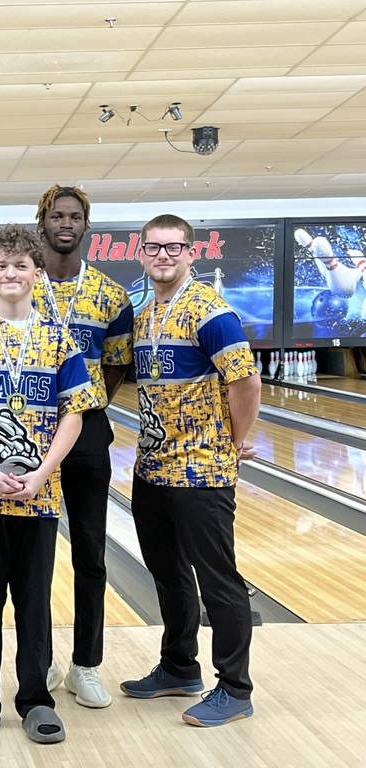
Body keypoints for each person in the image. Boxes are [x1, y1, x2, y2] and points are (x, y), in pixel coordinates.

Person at [0, 223, 96, 744]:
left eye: (20, 266)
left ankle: (34, 698)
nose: (11, 273)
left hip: (40, 494)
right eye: (1, 266)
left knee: (34, 602)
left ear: (36, 273)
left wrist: (44, 472)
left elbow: (74, 414)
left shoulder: (59, 339)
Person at [121, 213, 261, 728]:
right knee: (168, 573)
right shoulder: (144, 313)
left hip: (202, 470)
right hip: (153, 467)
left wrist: (231, 442)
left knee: (217, 578)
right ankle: (180, 666)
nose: (163, 255)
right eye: (154, 247)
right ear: (141, 252)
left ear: (191, 253)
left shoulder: (210, 311)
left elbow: (245, 382)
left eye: (173, 247)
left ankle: (236, 687)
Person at [32, 185, 134, 707]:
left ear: (86, 225)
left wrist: (86, 406)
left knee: (91, 552)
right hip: (24, 428)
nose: (65, 223)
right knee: (37, 554)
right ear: (41, 222)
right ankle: (43, 659)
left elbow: (116, 362)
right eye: (56, 215)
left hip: (87, 430)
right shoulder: (20, 286)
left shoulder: (110, 295)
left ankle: (86, 664)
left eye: (74, 216)